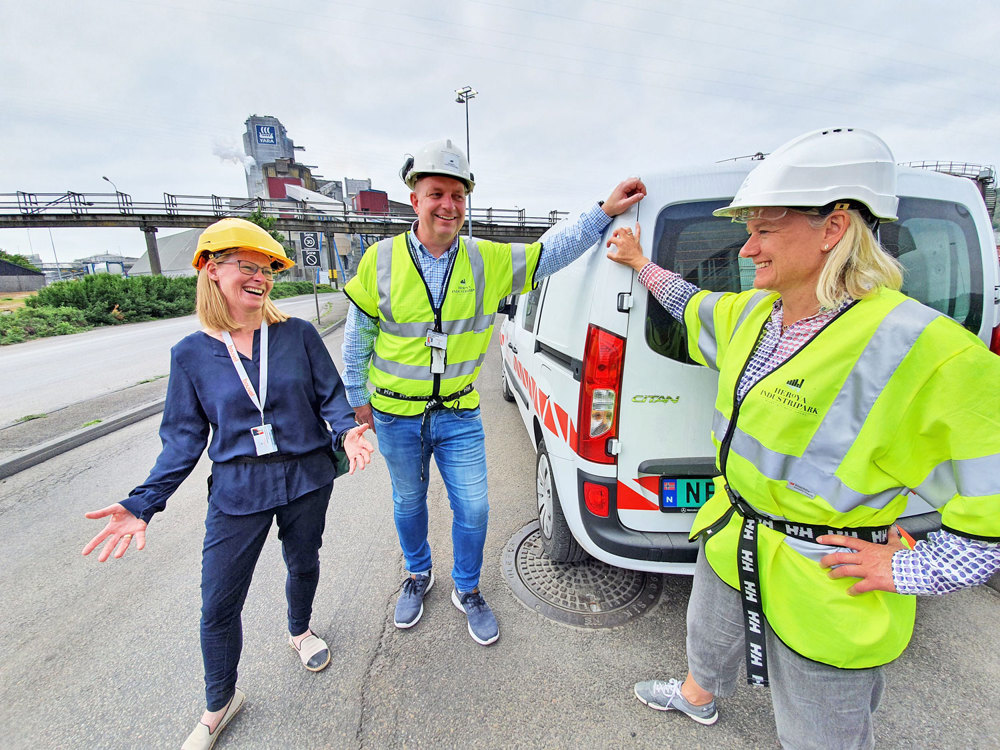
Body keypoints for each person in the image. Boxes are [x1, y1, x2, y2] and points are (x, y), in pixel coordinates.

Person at [605, 128, 1000, 749]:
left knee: (823, 731)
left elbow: (994, 490)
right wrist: (637, 263)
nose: (747, 246)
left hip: (827, 573)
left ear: (833, 229)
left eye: (764, 229)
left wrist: (924, 567)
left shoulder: (925, 346)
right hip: (735, 528)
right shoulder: (755, 313)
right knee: (708, 633)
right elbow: (690, 302)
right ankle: (698, 696)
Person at [82, 217, 375, 750]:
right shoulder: (191, 355)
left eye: (266, 269)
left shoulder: (298, 335)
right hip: (239, 488)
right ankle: (220, 703)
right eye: (247, 266)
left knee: (303, 560)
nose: (260, 277)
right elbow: (182, 440)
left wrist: (348, 432)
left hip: (308, 476)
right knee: (219, 603)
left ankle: (300, 631)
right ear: (212, 271)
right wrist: (144, 502)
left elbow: (331, 396)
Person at [341, 138, 646, 645]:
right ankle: (418, 575)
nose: (448, 205)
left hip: (457, 413)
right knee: (408, 502)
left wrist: (602, 212)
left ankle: (467, 588)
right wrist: (357, 403)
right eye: (437, 192)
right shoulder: (381, 259)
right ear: (415, 199)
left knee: (475, 507)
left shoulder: (486, 259)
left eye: (458, 195)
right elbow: (358, 340)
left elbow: (550, 253)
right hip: (395, 416)